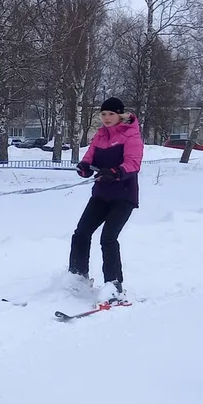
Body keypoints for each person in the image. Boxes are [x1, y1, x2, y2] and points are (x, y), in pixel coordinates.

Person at [70, 97, 144, 300]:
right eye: (103, 114)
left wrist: (116, 171)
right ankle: (77, 278)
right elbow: (89, 158)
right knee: (81, 233)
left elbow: (133, 163)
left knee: (108, 238)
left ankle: (114, 287)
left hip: (123, 195)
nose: (106, 118)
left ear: (120, 115)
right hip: (101, 195)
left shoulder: (131, 135)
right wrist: (84, 168)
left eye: (111, 114)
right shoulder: (100, 136)